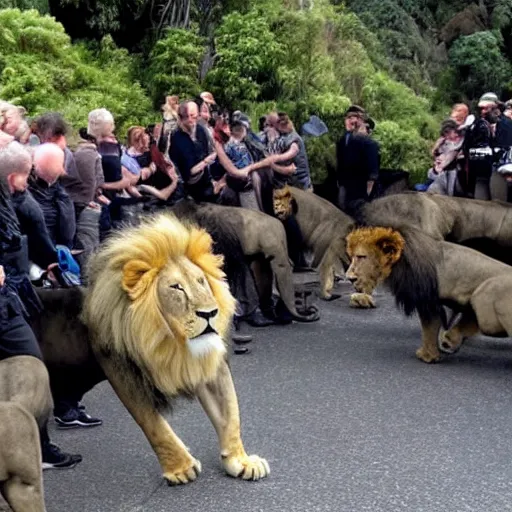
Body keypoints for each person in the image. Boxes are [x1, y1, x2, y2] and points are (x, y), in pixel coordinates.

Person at [0, 142, 82, 469]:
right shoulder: (14, 199)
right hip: (6, 301)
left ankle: (36, 447)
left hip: (14, 292)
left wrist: (46, 260)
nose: (28, 181)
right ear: (12, 178)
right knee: (33, 369)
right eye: (25, 176)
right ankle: (39, 450)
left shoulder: (13, 199)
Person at [169, 101, 217, 202]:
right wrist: (206, 161)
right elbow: (189, 171)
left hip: (207, 181)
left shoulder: (201, 130)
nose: (191, 120)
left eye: (193, 116)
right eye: (187, 117)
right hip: (190, 187)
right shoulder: (177, 138)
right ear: (181, 118)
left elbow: (209, 150)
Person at [336, 107, 380, 215]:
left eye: (354, 117)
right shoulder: (344, 140)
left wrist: (367, 192)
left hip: (360, 189)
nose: (351, 121)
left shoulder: (369, 143)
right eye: (348, 117)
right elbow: (341, 161)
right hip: (346, 184)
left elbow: (372, 172)